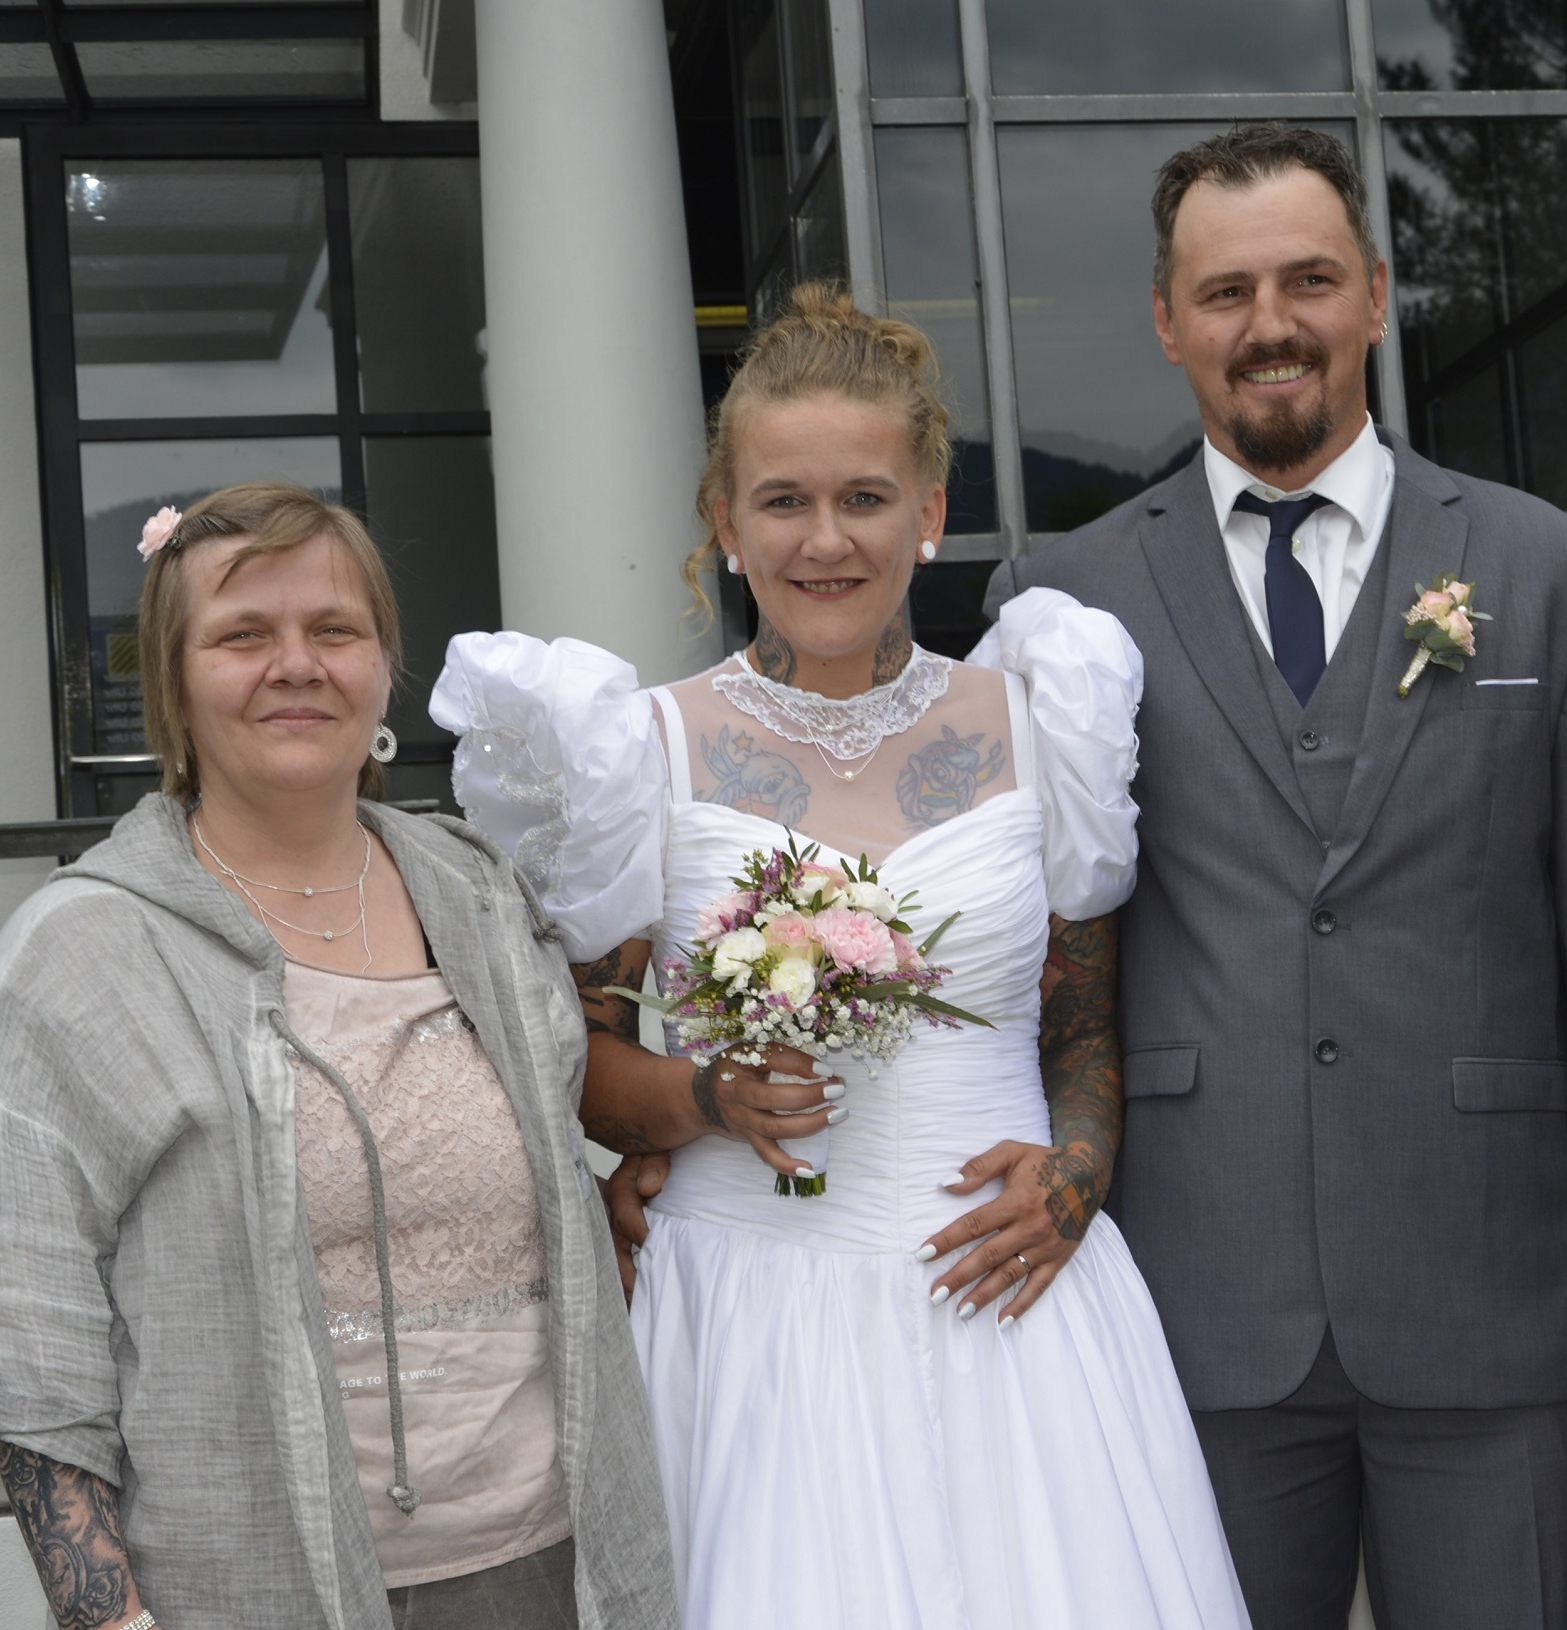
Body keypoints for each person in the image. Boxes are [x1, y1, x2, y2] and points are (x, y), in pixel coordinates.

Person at [431, 284, 1250, 1629]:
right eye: (783, 501)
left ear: (929, 510)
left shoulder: (1049, 718)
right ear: (725, 521)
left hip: (1013, 1302)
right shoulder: (639, 751)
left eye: (866, 498)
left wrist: (1076, 1177)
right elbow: (580, 1060)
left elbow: (1085, 1032)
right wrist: (705, 1100)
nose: (826, 539)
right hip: (748, 1311)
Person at [972, 123, 1567, 1629]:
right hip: (1190, 1304)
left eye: (1307, 279)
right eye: (1225, 292)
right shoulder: (1056, 599)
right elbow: (1029, 954)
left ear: (1374, 293)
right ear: (1168, 325)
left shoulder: (1553, 577)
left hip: (1498, 1309)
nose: (1270, 324)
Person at [0, 483, 676, 1630]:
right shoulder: (87, 950)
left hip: (546, 1567)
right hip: (247, 1585)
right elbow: (34, 1333)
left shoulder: (476, 895)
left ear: (383, 665)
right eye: (243, 636)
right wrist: (108, 1618)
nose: (296, 664)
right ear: (173, 679)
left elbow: (556, 1177)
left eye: (334, 630)